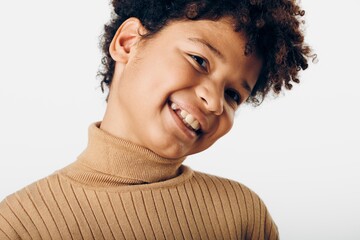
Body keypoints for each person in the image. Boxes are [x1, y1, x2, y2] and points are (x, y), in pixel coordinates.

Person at [0, 0, 313, 239]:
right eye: (200, 60)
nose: (215, 102)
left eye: (233, 95)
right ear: (128, 43)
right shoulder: (19, 224)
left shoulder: (242, 215)